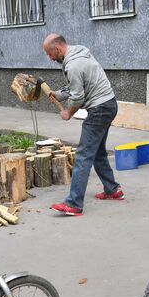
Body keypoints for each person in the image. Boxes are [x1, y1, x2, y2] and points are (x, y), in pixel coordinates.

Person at [43, 33, 123, 216]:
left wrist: (67, 113)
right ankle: (112, 189)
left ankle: (74, 204)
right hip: (109, 104)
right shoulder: (80, 52)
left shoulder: (73, 65)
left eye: (49, 53)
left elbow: (78, 97)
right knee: (98, 152)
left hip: (100, 109)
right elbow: (77, 86)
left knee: (83, 155)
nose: (49, 57)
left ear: (57, 48)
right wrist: (58, 94)